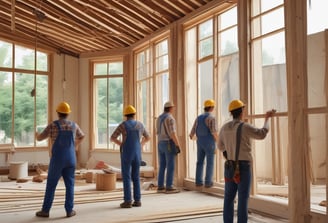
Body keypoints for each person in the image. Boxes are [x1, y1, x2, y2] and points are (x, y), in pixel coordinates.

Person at [218, 99, 275, 223]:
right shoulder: (245, 127)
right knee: (243, 199)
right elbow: (262, 134)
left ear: (231, 113)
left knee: (228, 198)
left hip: (229, 166)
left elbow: (220, 146)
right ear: (242, 111)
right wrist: (267, 119)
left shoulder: (224, 127)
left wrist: (229, 152)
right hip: (243, 167)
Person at [35, 101, 85, 218]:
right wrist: (75, 145)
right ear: (68, 114)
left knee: (51, 185)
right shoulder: (74, 125)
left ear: (58, 113)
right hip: (71, 159)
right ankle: (69, 211)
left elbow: (40, 138)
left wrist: (36, 135)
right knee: (70, 185)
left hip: (58, 159)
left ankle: (45, 211)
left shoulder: (53, 125)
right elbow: (82, 136)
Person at [110, 105, 150, 208]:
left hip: (127, 153)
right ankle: (138, 200)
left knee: (127, 177)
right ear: (134, 114)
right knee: (136, 177)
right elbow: (148, 137)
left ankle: (127, 201)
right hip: (137, 154)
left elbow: (113, 137)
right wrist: (141, 144)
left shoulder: (123, 125)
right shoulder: (140, 125)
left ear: (125, 115)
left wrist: (121, 144)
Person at [189, 99, 218, 188]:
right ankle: (208, 182)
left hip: (200, 142)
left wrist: (193, 136)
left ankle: (198, 182)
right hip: (209, 143)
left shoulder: (199, 117)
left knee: (199, 162)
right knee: (210, 162)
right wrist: (219, 142)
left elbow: (192, 133)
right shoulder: (212, 118)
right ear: (212, 108)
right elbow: (214, 132)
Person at [156, 101, 181, 194]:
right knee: (171, 165)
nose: (173, 109)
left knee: (162, 165)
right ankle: (169, 186)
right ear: (170, 108)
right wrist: (178, 145)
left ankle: (160, 186)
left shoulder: (159, 118)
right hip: (168, 144)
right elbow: (172, 133)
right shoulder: (170, 118)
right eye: (173, 107)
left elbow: (157, 132)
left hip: (160, 143)